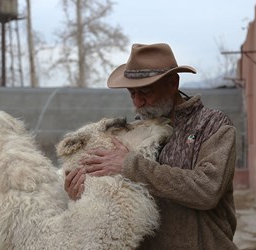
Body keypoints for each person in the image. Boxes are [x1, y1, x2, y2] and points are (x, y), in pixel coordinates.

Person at [64, 43, 238, 250]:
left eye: (145, 92)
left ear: (173, 83)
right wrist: (81, 193)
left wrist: (131, 166)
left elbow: (207, 190)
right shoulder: (131, 133)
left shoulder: (213, 125)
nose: (138, 103)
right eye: (132, 94)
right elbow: (118, 198)